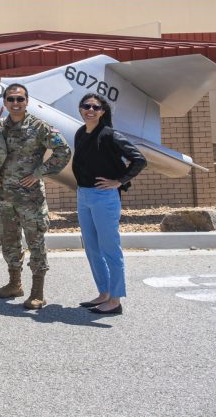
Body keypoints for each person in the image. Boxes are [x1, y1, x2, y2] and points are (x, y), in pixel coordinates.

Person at [0, 83, 71, 309]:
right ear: (4, 102)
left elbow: (64, 151)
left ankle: (37, 292)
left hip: (30, 198)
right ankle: (14, 284)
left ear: (27, 101)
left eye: (19, 99)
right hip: (4, 198)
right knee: (8, 241)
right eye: (11, 99)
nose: (15, 103)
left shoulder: (38, 127)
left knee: (36, 243)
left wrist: (39, 173)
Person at [73, 92, 146, 315]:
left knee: (110, 249)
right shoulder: (80, 133)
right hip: (83, 195)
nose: (90, 110)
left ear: (103, 112)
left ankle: (115, 300)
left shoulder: (110, 135)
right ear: (80, 108)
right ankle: (103, 293)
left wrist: (119, 181)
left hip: (104, 197)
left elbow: (139, 159)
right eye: (86, 106)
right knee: (92, 249)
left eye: (96, 107)